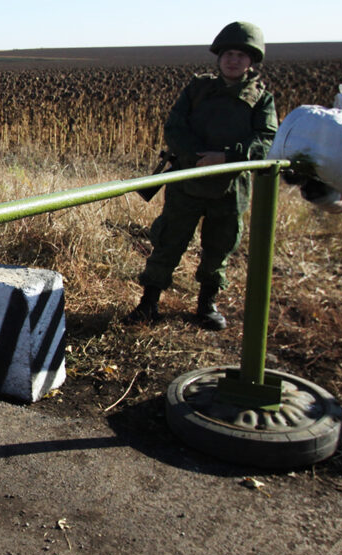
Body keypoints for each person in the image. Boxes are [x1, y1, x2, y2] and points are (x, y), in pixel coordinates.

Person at [126, 21, 278, 330]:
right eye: (228, 54)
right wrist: (196, 158)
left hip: (230, 186)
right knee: (168, 241)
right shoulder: (197, 89)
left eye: (240, 54)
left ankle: (206, 304)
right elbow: (174, 128)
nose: (233, 60)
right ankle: (148, 303)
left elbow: (266, 139)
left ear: (251, 60)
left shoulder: (261, 98)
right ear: (219, 57)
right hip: (187, 181)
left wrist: (225, 157)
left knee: (218, 248)